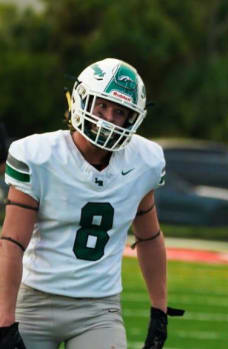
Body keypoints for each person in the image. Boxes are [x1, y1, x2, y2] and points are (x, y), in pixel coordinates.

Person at [0, 58, 183, 349]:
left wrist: (159, 310)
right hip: (34, 301)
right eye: (102, 106)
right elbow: (12, 241)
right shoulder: (38, 155)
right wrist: (5, 322)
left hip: (98, 309)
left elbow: (149, 237)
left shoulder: (143, 161)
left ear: (132, 119)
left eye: (119, 112)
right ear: (81, 100)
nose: (108, 118)